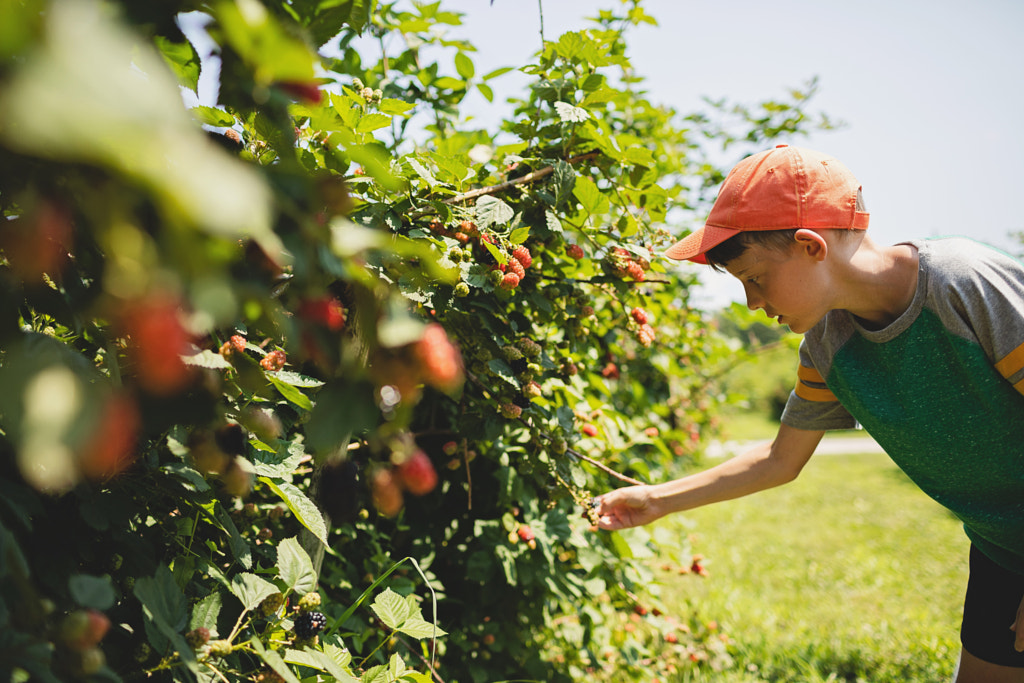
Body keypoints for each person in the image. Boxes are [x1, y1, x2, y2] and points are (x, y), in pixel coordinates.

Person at [592, 144, 1024, 682]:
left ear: (810, 245)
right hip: (1003, 550)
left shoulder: (963, 285)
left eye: (754, 278)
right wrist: (654, 501)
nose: (752, 303)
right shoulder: (828, 344)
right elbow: (779, 461)